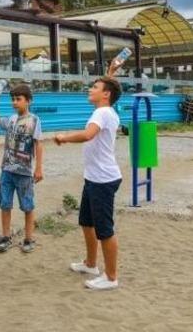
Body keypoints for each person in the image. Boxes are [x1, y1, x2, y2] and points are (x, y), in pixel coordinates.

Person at [54, 73, 123, 291]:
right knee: (86, 222)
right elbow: (109, 84)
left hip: (102, 180)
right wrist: (111, 73)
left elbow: (88, 135)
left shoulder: (102, 112)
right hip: (94, 178)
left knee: (105, 230)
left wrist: (64, 138)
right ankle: (91, 265)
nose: (90, 89)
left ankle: (111, 277)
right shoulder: (107, 110)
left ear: (106, 94)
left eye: (95, 87)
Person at [0, 83, 44, 253]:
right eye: (12, 99)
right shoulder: (11, 119)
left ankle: (29, 238)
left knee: (27, 206)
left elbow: (38, 144)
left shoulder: (34, 120)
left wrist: (39, 168)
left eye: (18, 99)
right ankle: (6, 237)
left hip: (24, 173)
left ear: (28, 101)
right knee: (5, 204)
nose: (14, 102)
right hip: (7, 171)